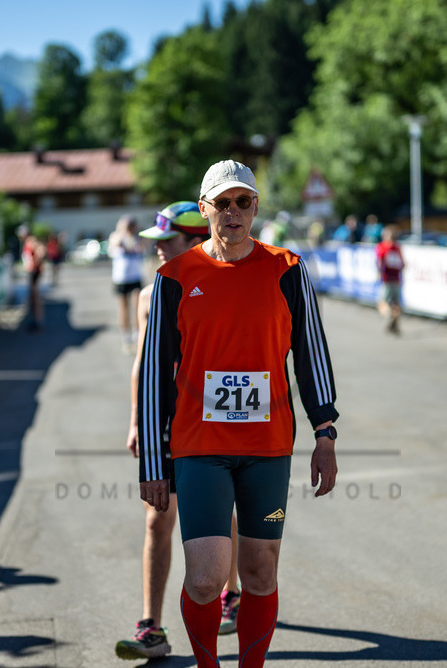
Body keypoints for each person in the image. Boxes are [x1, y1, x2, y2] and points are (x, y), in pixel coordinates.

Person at [138, 160, 339, 668]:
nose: (233, 212)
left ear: (255, 208)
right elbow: (154, 376)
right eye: (222, 203)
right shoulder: (174, 278)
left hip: (268, 450)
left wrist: (325, 431)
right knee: (206, 579)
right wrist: (153, 465)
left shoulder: (287, 268)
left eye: (243, 202)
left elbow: (311, 355)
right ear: (204, 209)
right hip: (199, 449)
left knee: (260, 572)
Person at [117, 201, 242, 660]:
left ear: (194, 240)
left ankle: (232, 592)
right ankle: (151, 627)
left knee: (217, 506)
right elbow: (141, 364)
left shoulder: (227, 286)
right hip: (166, 421)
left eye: (165, 243)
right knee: (157, 517)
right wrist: (136, 418)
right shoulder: (151, 295)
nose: (157, 252)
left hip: (209, 421)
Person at [109, 215, 144, 353]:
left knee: (137, 306)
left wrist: (134, 232)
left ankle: (137, 336)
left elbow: (141, 247)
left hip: (135, 276)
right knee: (123, 308)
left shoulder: (137, 237)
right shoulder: (116, 236)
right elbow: (116, 243)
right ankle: (126, 337)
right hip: (121, 278)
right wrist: (123, 229)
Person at [375, 224, 405, 334]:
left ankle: (389, 315)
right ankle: (395, 323)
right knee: (396, 303)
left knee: (382, 302)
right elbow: (403, 264)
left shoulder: (382, 246)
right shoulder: (397, 247)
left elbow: (380, 262)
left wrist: (379, 273)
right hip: (396, 278)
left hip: (386, 278)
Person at [18, 225, 46, 331]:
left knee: (36, 296)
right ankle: (35, 320)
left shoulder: (31, 241)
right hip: (32, 271)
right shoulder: (27, 242)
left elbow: (41, 251)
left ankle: (38, 321)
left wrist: (36, 263)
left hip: (34, 271)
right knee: (32, 297)